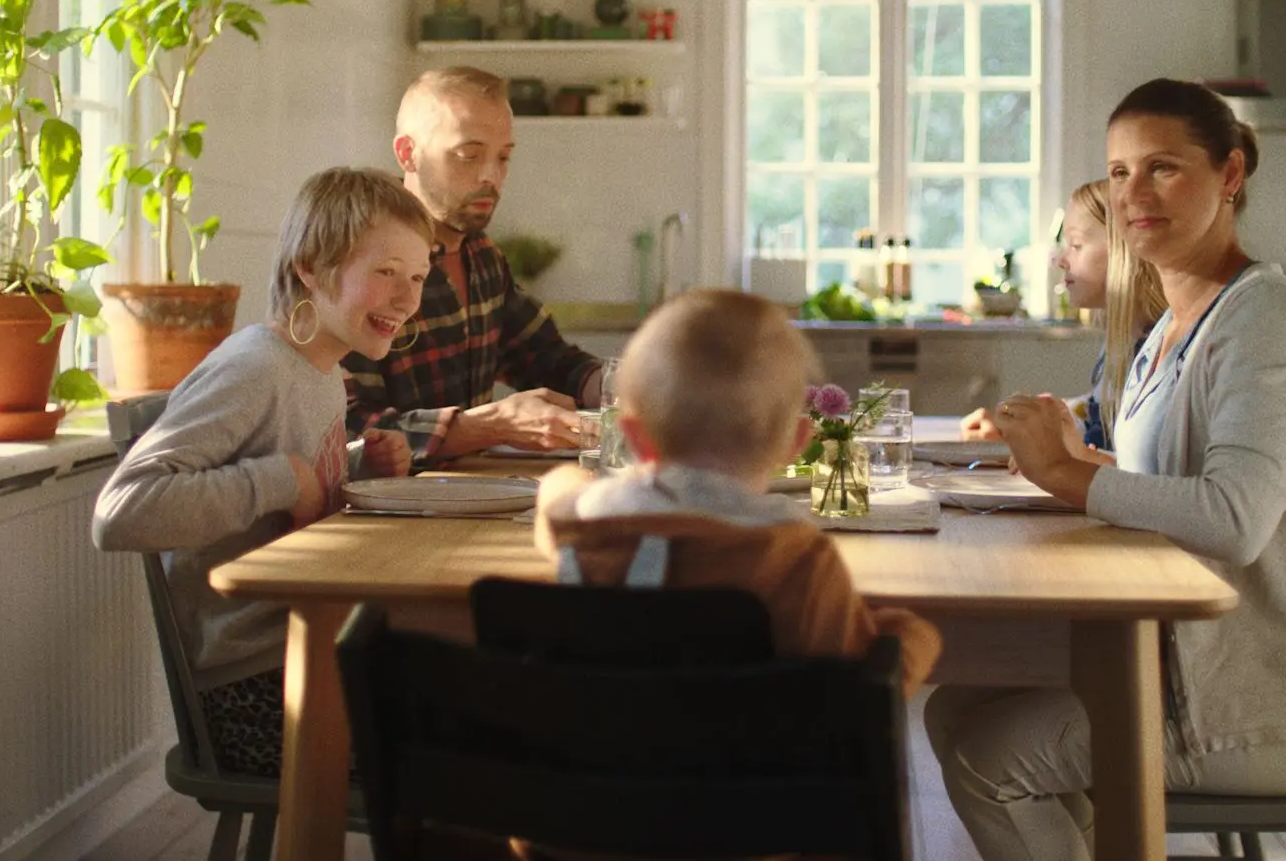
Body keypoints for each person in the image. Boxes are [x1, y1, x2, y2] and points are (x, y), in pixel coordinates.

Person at [924, 78, 1286, 860]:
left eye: (1163, 168)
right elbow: (1161, 474)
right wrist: (1065, 450)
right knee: (953, 708)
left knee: (989, 755)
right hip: (1202, 670)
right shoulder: (1174, 327)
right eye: (1118, 172)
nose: (1133, 193)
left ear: (1232, 175)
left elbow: (1234, 519)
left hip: (1277, 703)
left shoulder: (1264, 316)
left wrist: (1068, 474)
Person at [93, 167, 431, 778]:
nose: (407, 299)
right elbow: (120, 512)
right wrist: (279, 480)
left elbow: (296, 484)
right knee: (477, 743)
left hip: (307, 653)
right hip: (253, 692)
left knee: (487, 694)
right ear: (310, 265)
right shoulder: (255, 368)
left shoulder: (323, 371)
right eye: (385, 273)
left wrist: (357, 466)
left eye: (417, 278)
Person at [533, 290, 943, 694]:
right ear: (796, 442)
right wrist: (913, 635)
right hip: (748, 761)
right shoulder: (798, 563)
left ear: (634, 437)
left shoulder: (588, 530)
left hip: (607, 757)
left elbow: (556, 494)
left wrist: (569, 484)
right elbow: (861, 687)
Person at [344, 66, 604, 461]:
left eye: (503, 158)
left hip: (464, 499)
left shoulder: (482, 257)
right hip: (381, 513)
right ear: (407, 154)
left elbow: (545, 357)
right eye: (468, 156)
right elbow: (350, 433)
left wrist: (625, 388)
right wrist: (492, 426)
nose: (491, 176)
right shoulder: (358, 259)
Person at [960, 179, 1165, 459]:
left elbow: (1148, 470)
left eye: (1076, 245)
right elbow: (1096, 415)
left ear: (1124, 251)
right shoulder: (1123, 339)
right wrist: (1016, 431)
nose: (1060, 260)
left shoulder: (1160, 351)